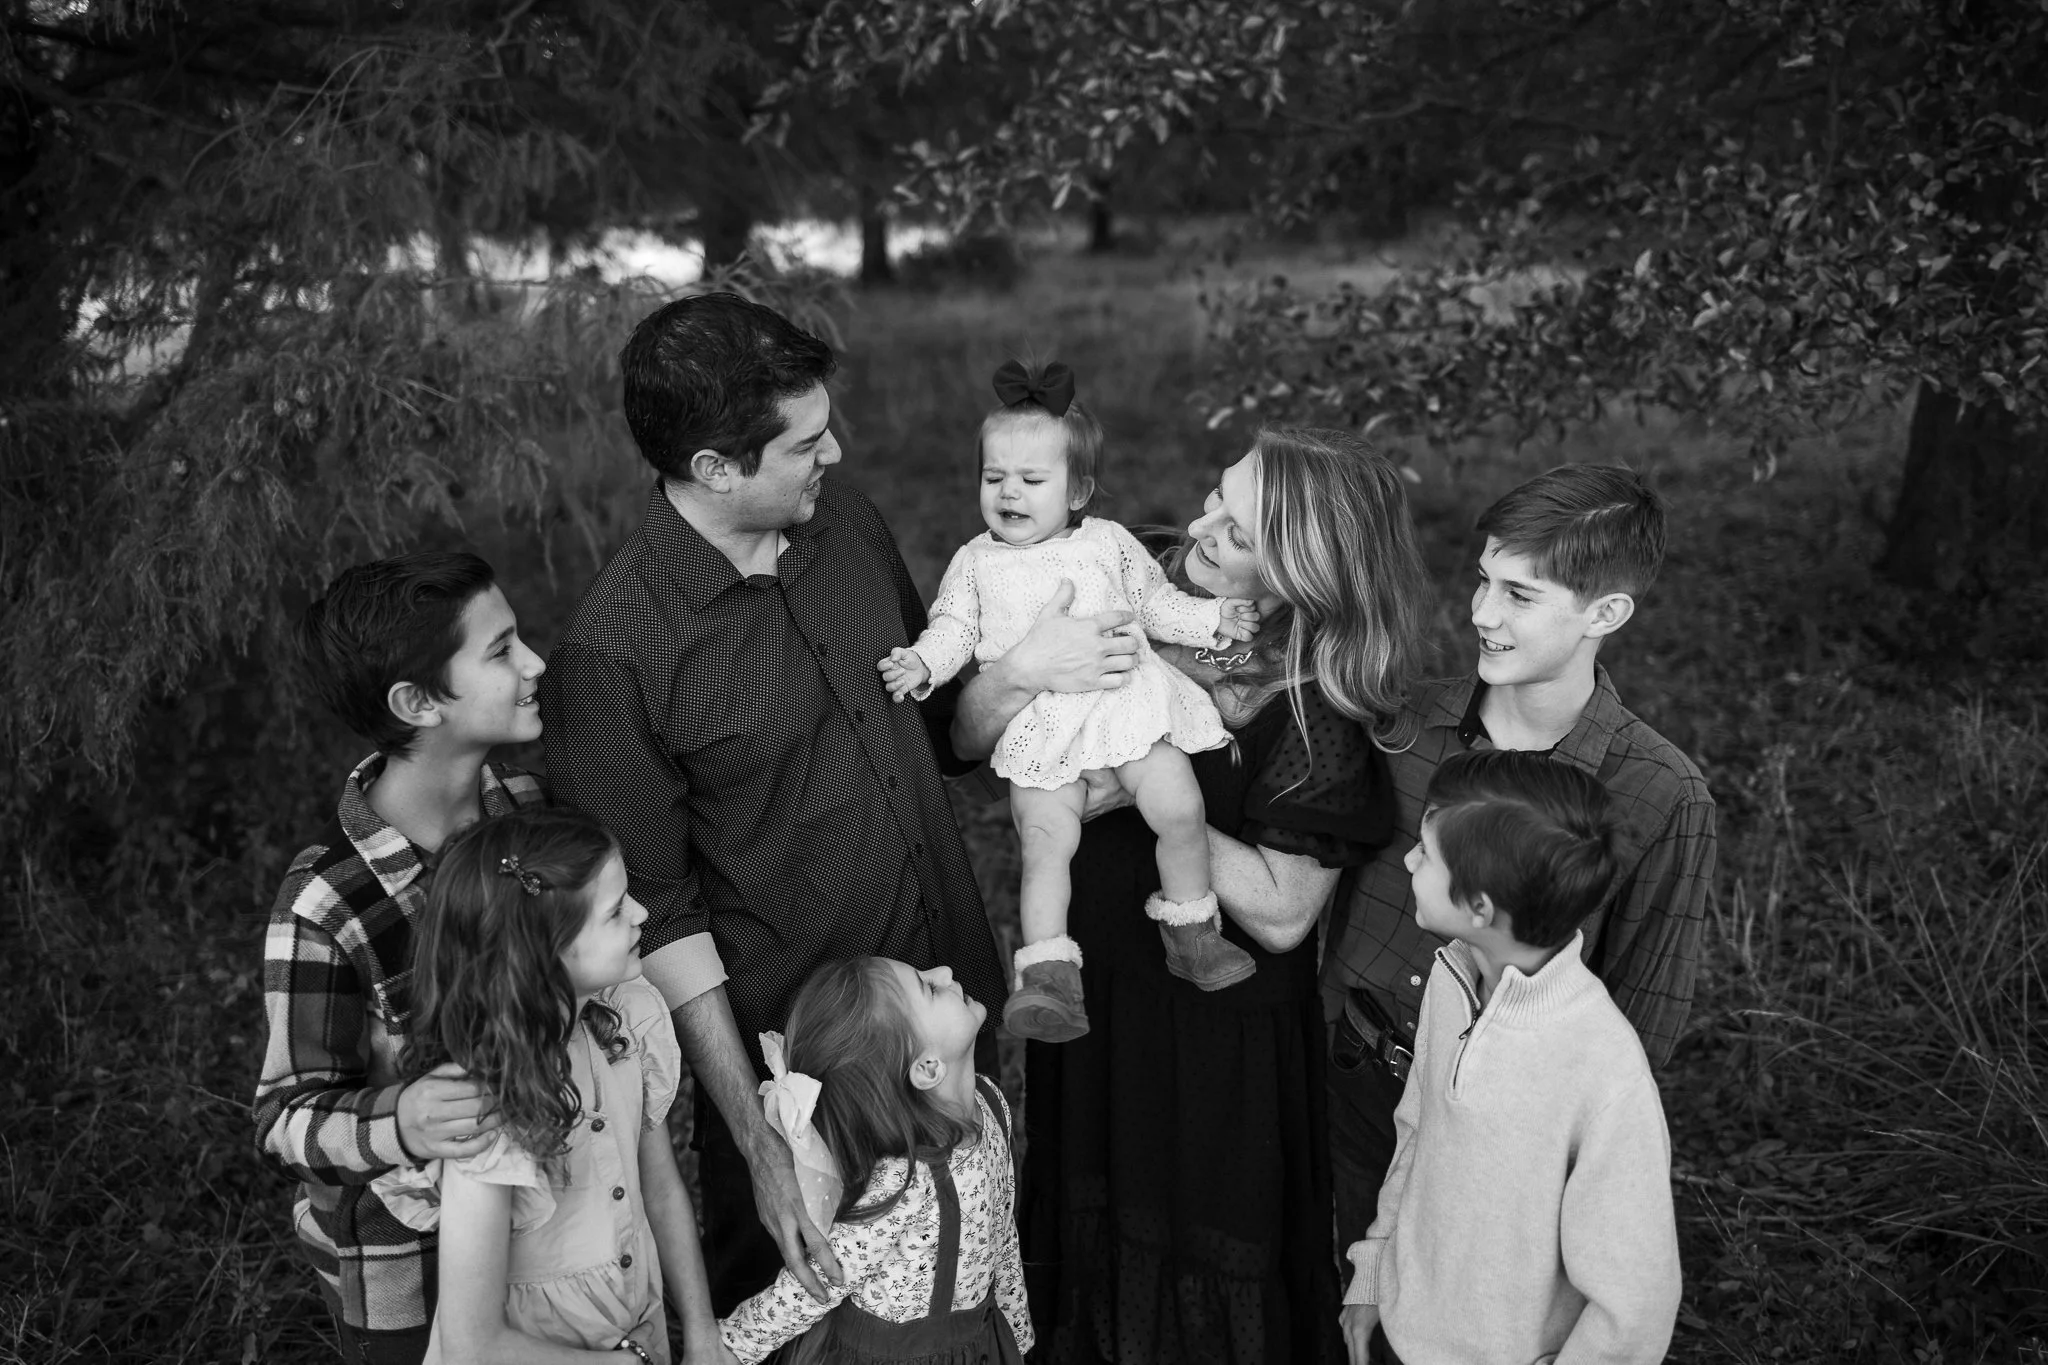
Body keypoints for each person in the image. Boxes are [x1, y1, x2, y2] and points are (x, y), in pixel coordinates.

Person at [541, 294, 1082, 1310]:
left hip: (948, 1016)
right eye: (802, 443)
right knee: (800, 1317)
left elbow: (939, 736)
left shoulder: (846, 523)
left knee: (964, 1282)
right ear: (715, 467)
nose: (833, 452)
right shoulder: (614, 654)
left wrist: (1023, 675)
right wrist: (759, 1145)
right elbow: (660, 918)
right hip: (805, 1086)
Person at [958, 428, 1434, 1364]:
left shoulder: (1316, 706)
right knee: (1089, 1228)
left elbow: (1285, 912)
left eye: (1240, 533)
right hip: (1095, 993)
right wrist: (1018, 673)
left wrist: (1137, 780)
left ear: (1305, 571)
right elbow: (969, 740)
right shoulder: (1121, 573)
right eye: (1218, 497)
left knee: (1201, 1261)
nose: (1203, 528)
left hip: (1215, 1035)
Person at [1321, 463, 1718, 1251]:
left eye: (1520, 595)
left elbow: (1642, 1018)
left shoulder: (1660, 792)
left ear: (1606, 611)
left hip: (1499, 1133)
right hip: (1347, 1084)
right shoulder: (1402, 726)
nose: (1482, 613)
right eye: (1483, 580)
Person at [879, 360, 1262, 1043]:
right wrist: (924, 662)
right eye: (994, 477)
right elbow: (954, 627)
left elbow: (1155, 604)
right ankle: (1048, 974)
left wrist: (1213, 619)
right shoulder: (974, 561)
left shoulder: (1109, 543)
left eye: (1031, 480)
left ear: (1077, 489)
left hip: (1125, 708)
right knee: (1045, 842)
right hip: (1042, 727)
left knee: (1179, 806)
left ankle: (1192, 928)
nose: (1009, 492)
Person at [254, 551, 549, 1364]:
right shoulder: (326, 902)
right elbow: (284, 1118)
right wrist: (404, 1117)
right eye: (502, 650)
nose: (534, 664)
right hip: (407, 1272)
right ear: (417, 701)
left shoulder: (533, 816)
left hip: (555, 1239)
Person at [1339, 750, 1682, 1365]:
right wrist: (1374, 1272)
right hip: (1402, 1333)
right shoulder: (1452, 978)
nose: (1409, 860)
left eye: (1427, 854)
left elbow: (1636, 1303)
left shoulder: (1603, 1069)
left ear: (1479, 908)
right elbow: (1416, 1132)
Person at [368, 809, 729, 1365]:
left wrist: (701, 1334)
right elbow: (471, 1346)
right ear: (545, 953)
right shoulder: (487, 1109)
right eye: (616, 911)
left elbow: (660, 1190)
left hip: (637, 1330)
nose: (641, 913)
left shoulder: (622, 1029)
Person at [719, 956, 1031, 1363]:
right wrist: (732, 1346)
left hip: (976, 1342)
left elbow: (1001, 1230)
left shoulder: (991, 1105)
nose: (945, 973)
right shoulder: (904, 1177)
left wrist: (1015, 1330)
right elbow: (821, 1281)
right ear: (928, 1068)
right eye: (930, 988)